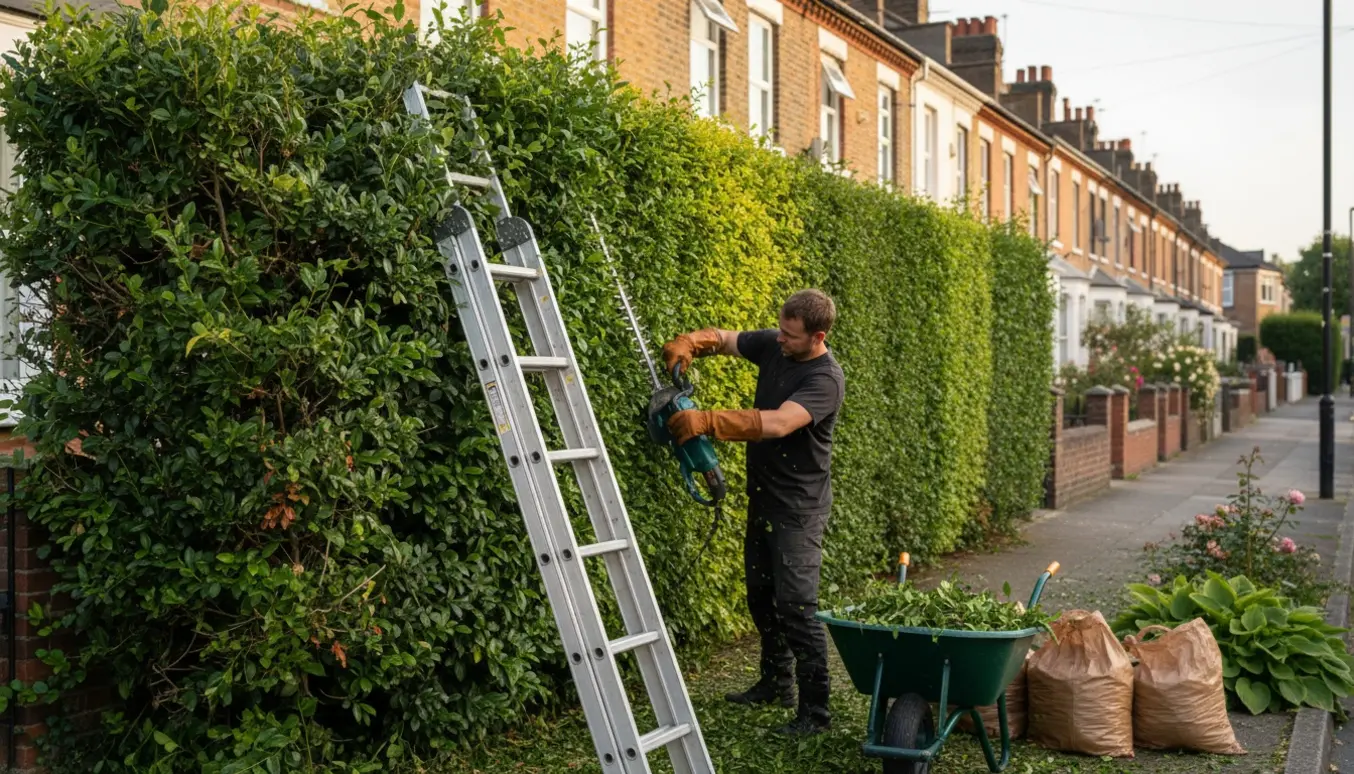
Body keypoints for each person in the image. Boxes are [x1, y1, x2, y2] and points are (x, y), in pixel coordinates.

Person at [660, 289, 845, 736]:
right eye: (779, 328)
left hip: (799, 510)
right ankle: (775, 683)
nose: (778, 339)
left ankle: (815, 712)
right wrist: (692, 343)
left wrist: (707, 421)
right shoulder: (777, 343)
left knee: (797, 608)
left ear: (816, 336)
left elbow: (780, 422)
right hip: (764, 499)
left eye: (789, 334)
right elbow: (727, 338)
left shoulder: (825, 379)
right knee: (762, 599)